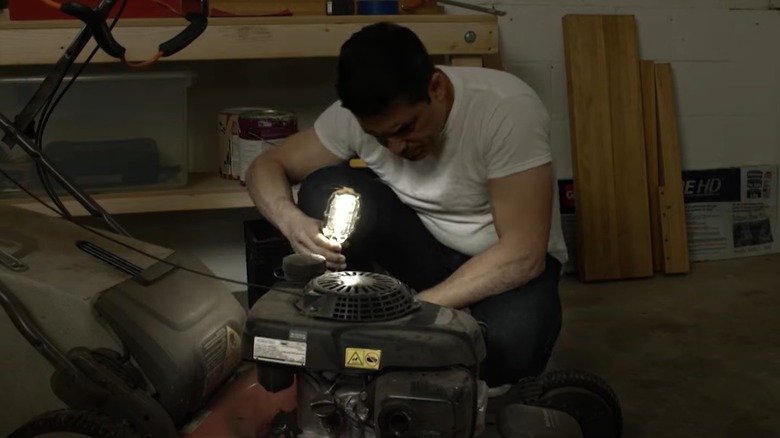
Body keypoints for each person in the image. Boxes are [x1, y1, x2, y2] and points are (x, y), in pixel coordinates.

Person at [246, 21, 568, 395]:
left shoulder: (505, 110)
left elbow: (523, 254)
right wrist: (291, 221)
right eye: (378, 137)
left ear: (436, 86)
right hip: (425, 249)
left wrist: (406, 312)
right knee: (320, 190)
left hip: (505, 264)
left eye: (405, 128)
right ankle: (363, 322)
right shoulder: (356, 117)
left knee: (510, 348)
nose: (395, 148)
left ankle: (388, 329)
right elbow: (265, 167)